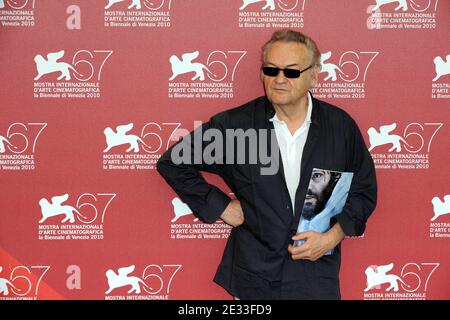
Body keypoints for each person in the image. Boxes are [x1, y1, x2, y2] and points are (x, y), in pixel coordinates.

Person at [157, 29, 377, 299]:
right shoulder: (236, 127)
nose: (280, 79)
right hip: (253, 278)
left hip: (315, 278)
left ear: (314, 75)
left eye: (292, 72)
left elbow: (363, 190)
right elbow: (173, 162)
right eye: (271, 70)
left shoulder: (340, 128)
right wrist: (221, 206)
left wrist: (333, 236)